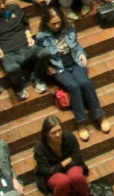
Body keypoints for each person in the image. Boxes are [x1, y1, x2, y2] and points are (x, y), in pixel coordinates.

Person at [34, 8, 108, 140]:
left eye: (58, 22)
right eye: (53, 24)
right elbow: (38, 55)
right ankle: (81, 122)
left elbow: (76, 45)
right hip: (58, 66)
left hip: (74, 61)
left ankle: (99, 115)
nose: (57, 26)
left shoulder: (69, 28)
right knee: (73, 86)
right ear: (46, 23)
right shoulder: (41, 37)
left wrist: (82, 53)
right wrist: (47, 67)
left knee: (85, 82)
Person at [0, 0, 49, 101]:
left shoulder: (15, 8)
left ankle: (35, 78)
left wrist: (28, 36)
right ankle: (19, 86)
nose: (2, 6)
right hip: (9, 53)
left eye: (3, 2)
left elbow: (25, 25)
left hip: (26, 47)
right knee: (11, 68)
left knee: (45, 53)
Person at [33, 115, 93, 196]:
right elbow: (46, 171)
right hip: (52, 173)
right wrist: (62, 164)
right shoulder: (40, 148)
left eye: (59, 130)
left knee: (76, 177)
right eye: (53, 132)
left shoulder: (68, 137)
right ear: (46, 134)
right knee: (63, 182)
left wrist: (65, 166)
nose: (57, 134)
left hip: (70, 165)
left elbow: (77, 157)